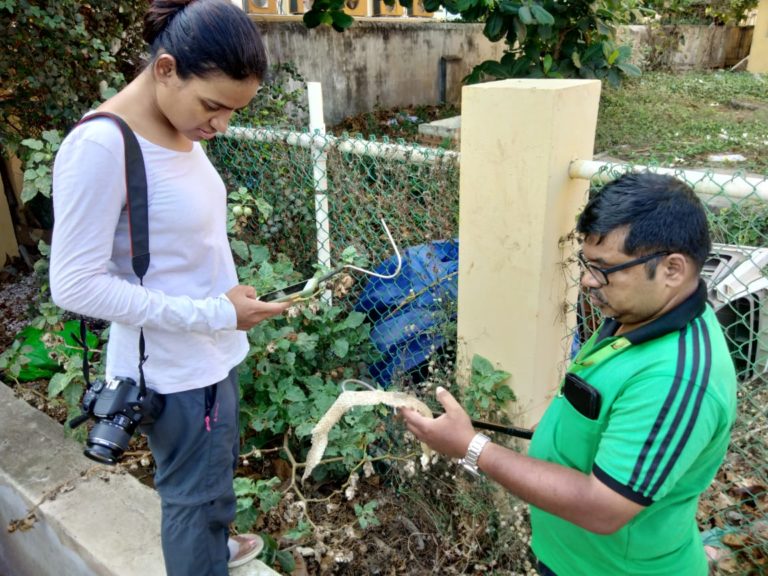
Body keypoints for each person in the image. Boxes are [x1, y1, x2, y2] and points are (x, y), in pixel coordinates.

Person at [49, 1, 290, 574]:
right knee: (191, 497)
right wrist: (214, 312)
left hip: (210, 352)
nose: (221, 125)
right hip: (175, 369)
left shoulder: (179, 126)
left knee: (212, 474)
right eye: (213, 105)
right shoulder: (102, 147)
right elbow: (75, 285)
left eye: (232, 111)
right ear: (165, 69)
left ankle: (213, 544)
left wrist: (225, 307)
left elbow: (179, 244)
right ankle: (199, 559)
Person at [402, 173, 737, 575]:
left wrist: (472, 448)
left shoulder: (676, 380)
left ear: (672, 269)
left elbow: (603, 508)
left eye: (604, 269)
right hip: (571, 558)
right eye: (586, 263)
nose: (588, 280)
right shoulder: (638, 314)